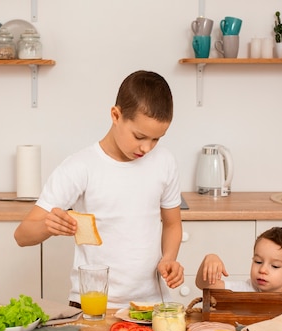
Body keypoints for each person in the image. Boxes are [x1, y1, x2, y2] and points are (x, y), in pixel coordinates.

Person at [14, 70, 184, 308]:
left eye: (156, 139)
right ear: (116, 115)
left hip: (151, 305)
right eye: (139, 136)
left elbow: (173, 223)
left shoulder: (164, 162)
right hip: (93, 305)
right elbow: (22, 235)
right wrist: (48, 226)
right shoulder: (80, 167)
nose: (147, 148)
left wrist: (169, 258)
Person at [195, 227, 282, 293]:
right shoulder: (241, 290)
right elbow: (204, 285)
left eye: (275, 266)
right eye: (258, 262)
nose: (262, 270)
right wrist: (209, 258)